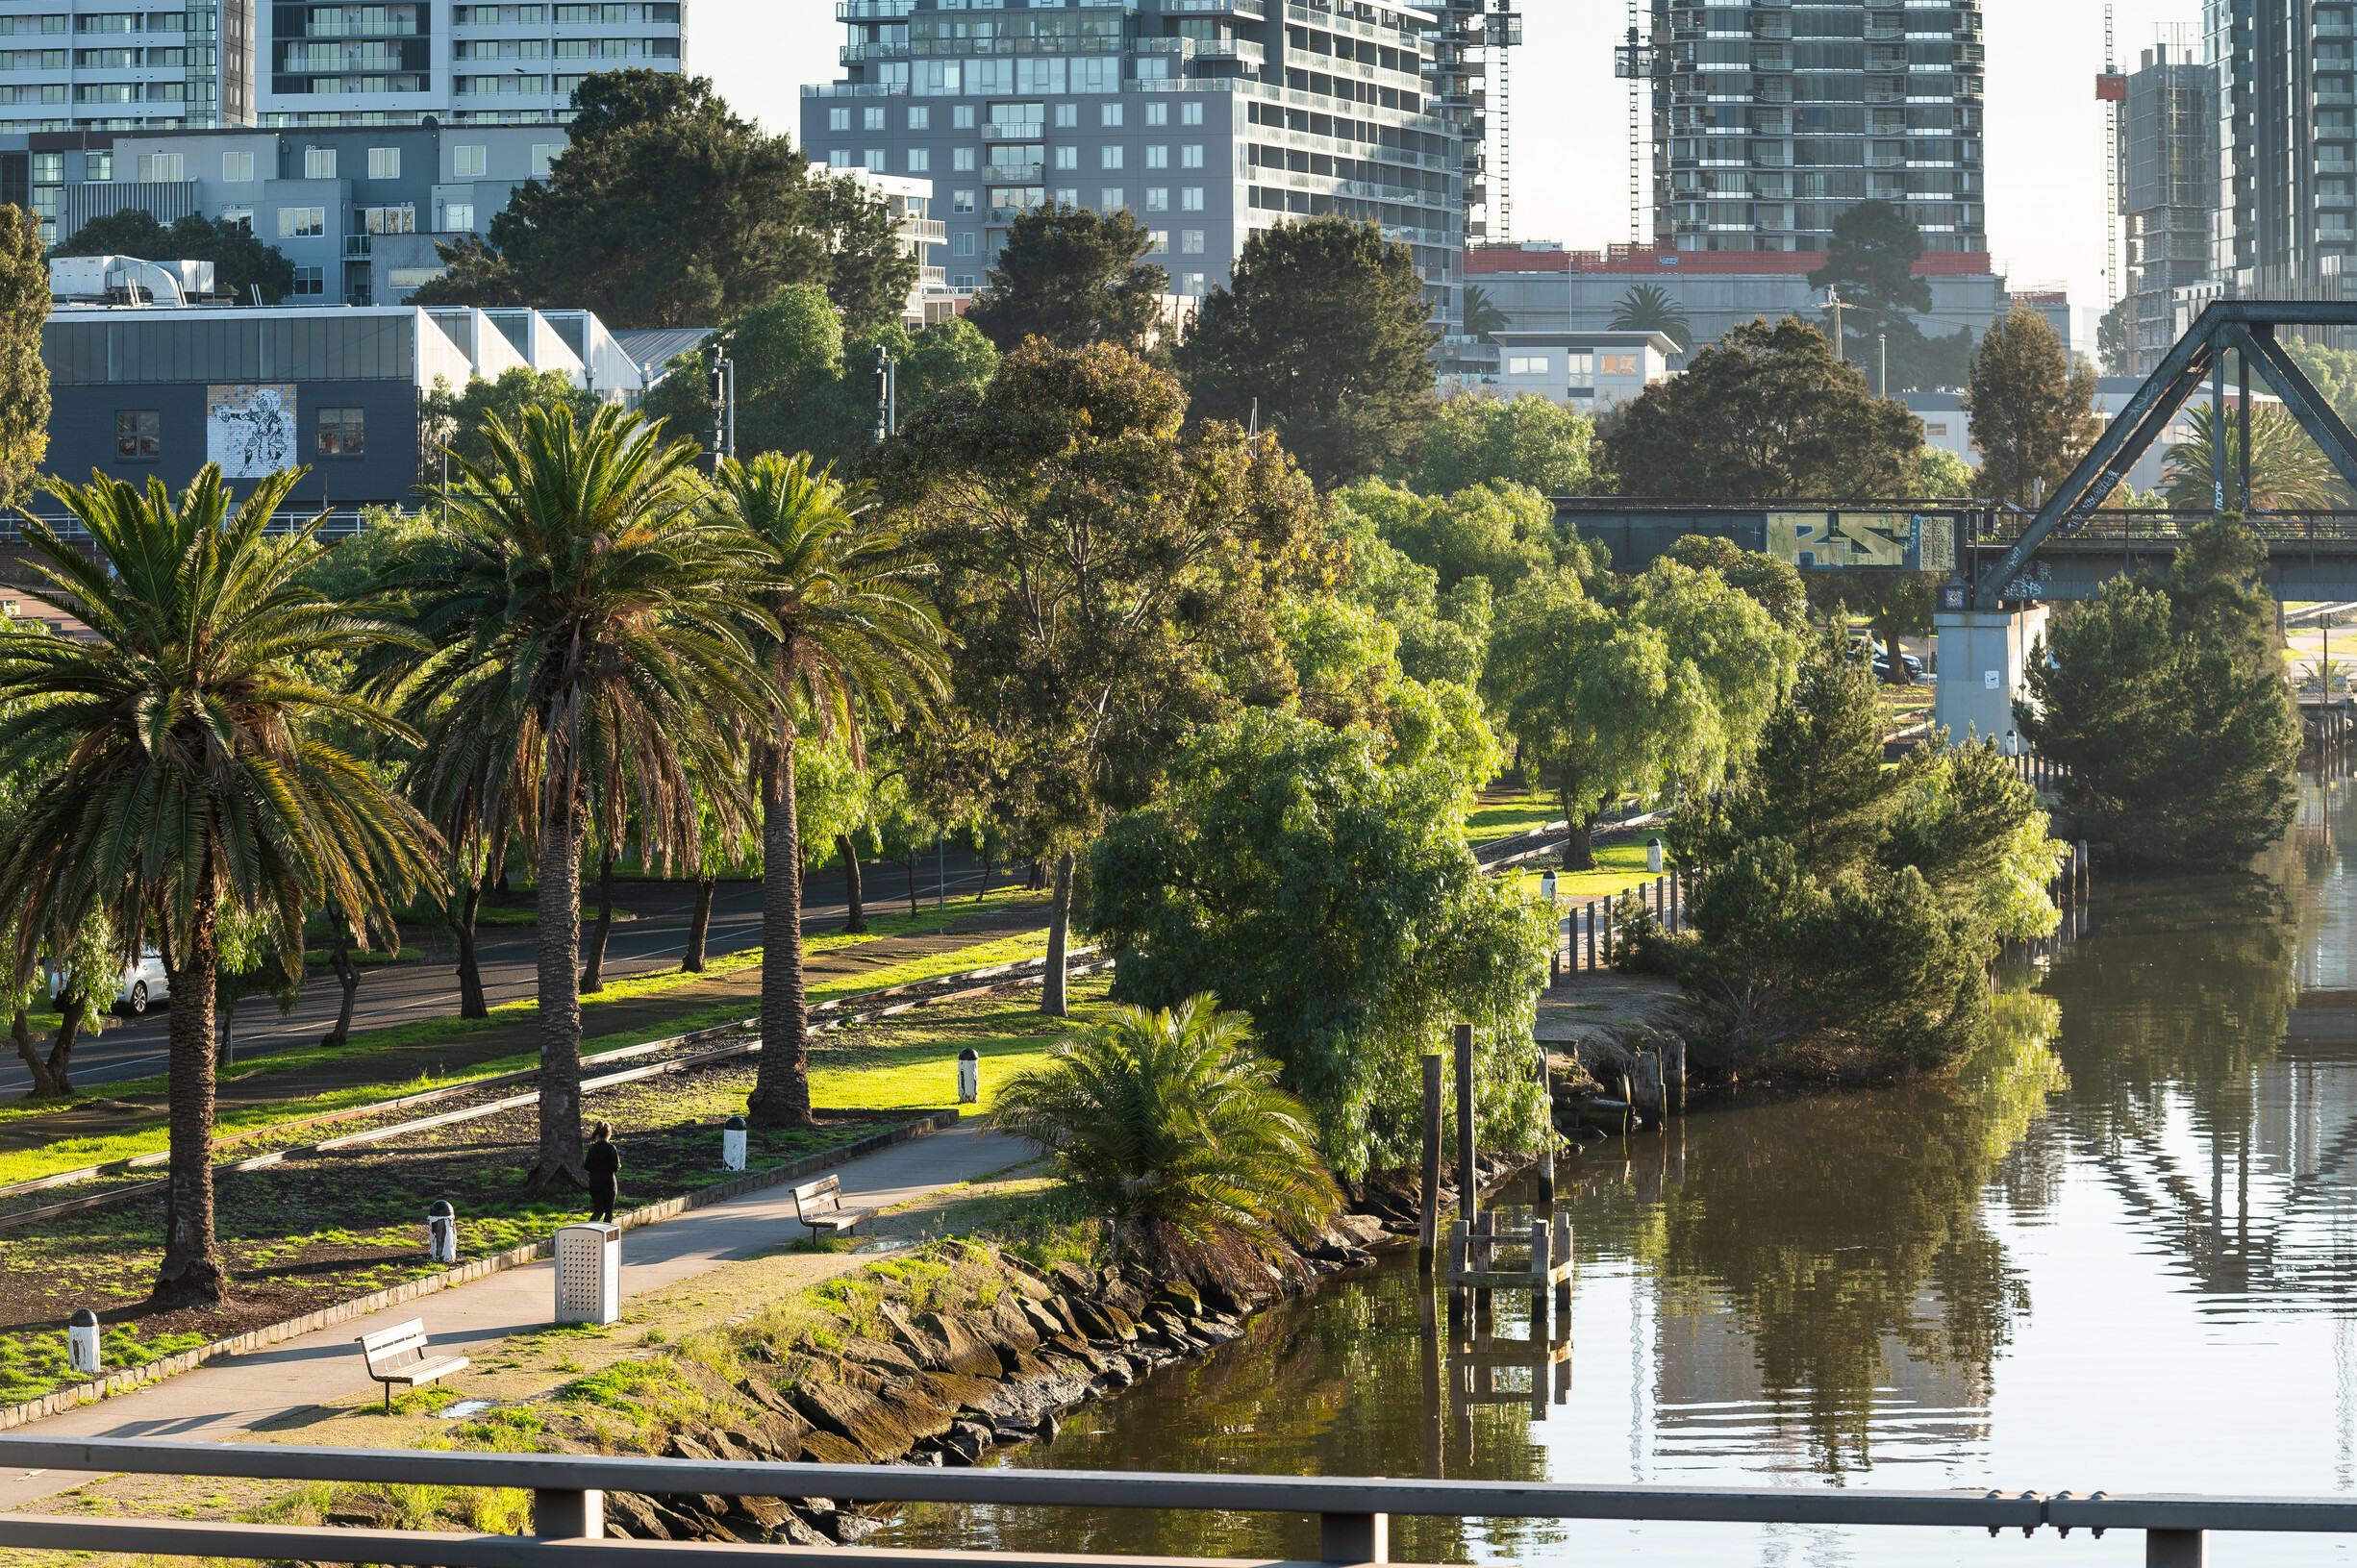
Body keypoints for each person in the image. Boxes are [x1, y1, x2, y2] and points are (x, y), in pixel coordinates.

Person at [585, 1120, 620, 1223]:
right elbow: (615, 1167)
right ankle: (606, 1236)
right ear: (608, 1134)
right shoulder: (611, 1148)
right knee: (609, 1212)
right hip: (608, 1183)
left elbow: (586, 1165)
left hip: (594, 1182)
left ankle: (590, 1231)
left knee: (598, 1210)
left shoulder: (592, 1148)